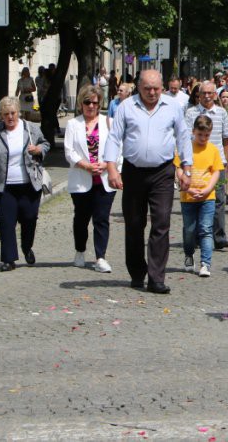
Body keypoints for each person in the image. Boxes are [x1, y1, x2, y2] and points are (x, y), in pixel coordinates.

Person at [104, 70, 193, 294]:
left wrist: (187, 167)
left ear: (162, 86)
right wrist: (112, 168)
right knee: (134, 224)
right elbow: (114, 137)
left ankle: (156, 278)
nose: (152, 93)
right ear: (139, 87)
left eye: (156, 88)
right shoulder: (127, 106)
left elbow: (182, 136)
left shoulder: (172, 106)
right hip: (133, 172)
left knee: (161, 222)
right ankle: (136, 271)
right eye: (147, 89)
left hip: (163, 172)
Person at [0, 97, 50, 271]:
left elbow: (45, 143)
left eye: (13, 113)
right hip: (4, 186)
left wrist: (39, 150)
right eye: (6, 114)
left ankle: (26, 246)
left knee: (29, 218)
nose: (10, 117)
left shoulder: (30, 129)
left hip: (29, 184)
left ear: (19, 113)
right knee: (6, 222)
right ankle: (8, 259)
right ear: (1, 115)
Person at [64, 85, 116, 273]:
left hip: (103, 178)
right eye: (87, 102)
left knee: (101, 219)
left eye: (95, 102)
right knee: (81, 219)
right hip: (81, 178)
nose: (91, 106)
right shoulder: (73, 124)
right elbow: (69, 151)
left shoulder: (109, 122)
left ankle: (100, 257)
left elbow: (119, 148)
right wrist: (85, 165)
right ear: (81, 103)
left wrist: (107, 165)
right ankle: (80, 250)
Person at [185, 81, 228, 249]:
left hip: (217, 162)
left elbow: (226, 138)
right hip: (196, 163)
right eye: (203, 93)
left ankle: (219, 236)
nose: (207, 96)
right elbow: (185, 138)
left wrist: (225, 161)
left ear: (215, 94)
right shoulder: (191, 113)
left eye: (210, 93)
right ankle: (200, 235)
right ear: (198, 95)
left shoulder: (221, 113)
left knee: (219, 199)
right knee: (198, 199)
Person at [176, 115, 224, 277]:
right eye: (200, 135)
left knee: (205, 229)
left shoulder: (213, 150)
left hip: (207, 197)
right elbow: (179, 169)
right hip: (188, 197)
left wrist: (208, 189)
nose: (203, 138)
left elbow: (216, 172)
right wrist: (187, 188)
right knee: (189, 230)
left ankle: (205, 262)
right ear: (193, 132)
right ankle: (189, 254)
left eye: (207, 135)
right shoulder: (185, 148)